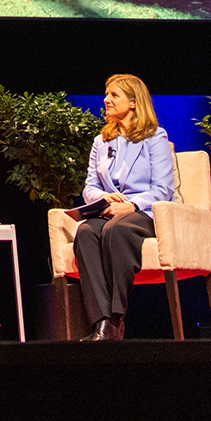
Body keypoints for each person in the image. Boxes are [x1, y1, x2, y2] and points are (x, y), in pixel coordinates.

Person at [72, 73, 176, 341]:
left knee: (115, 230)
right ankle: (102, 322)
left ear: (133, 102)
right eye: (106, 94)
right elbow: (90, 186)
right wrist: (104, 201)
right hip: (109, 211)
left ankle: (117, 317)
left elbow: (162, 189)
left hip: (145, 213)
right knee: (85, 231)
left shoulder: (155, 137)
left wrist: (130, 205)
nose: (106, 99)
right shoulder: (102, 141)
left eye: (114, 95)